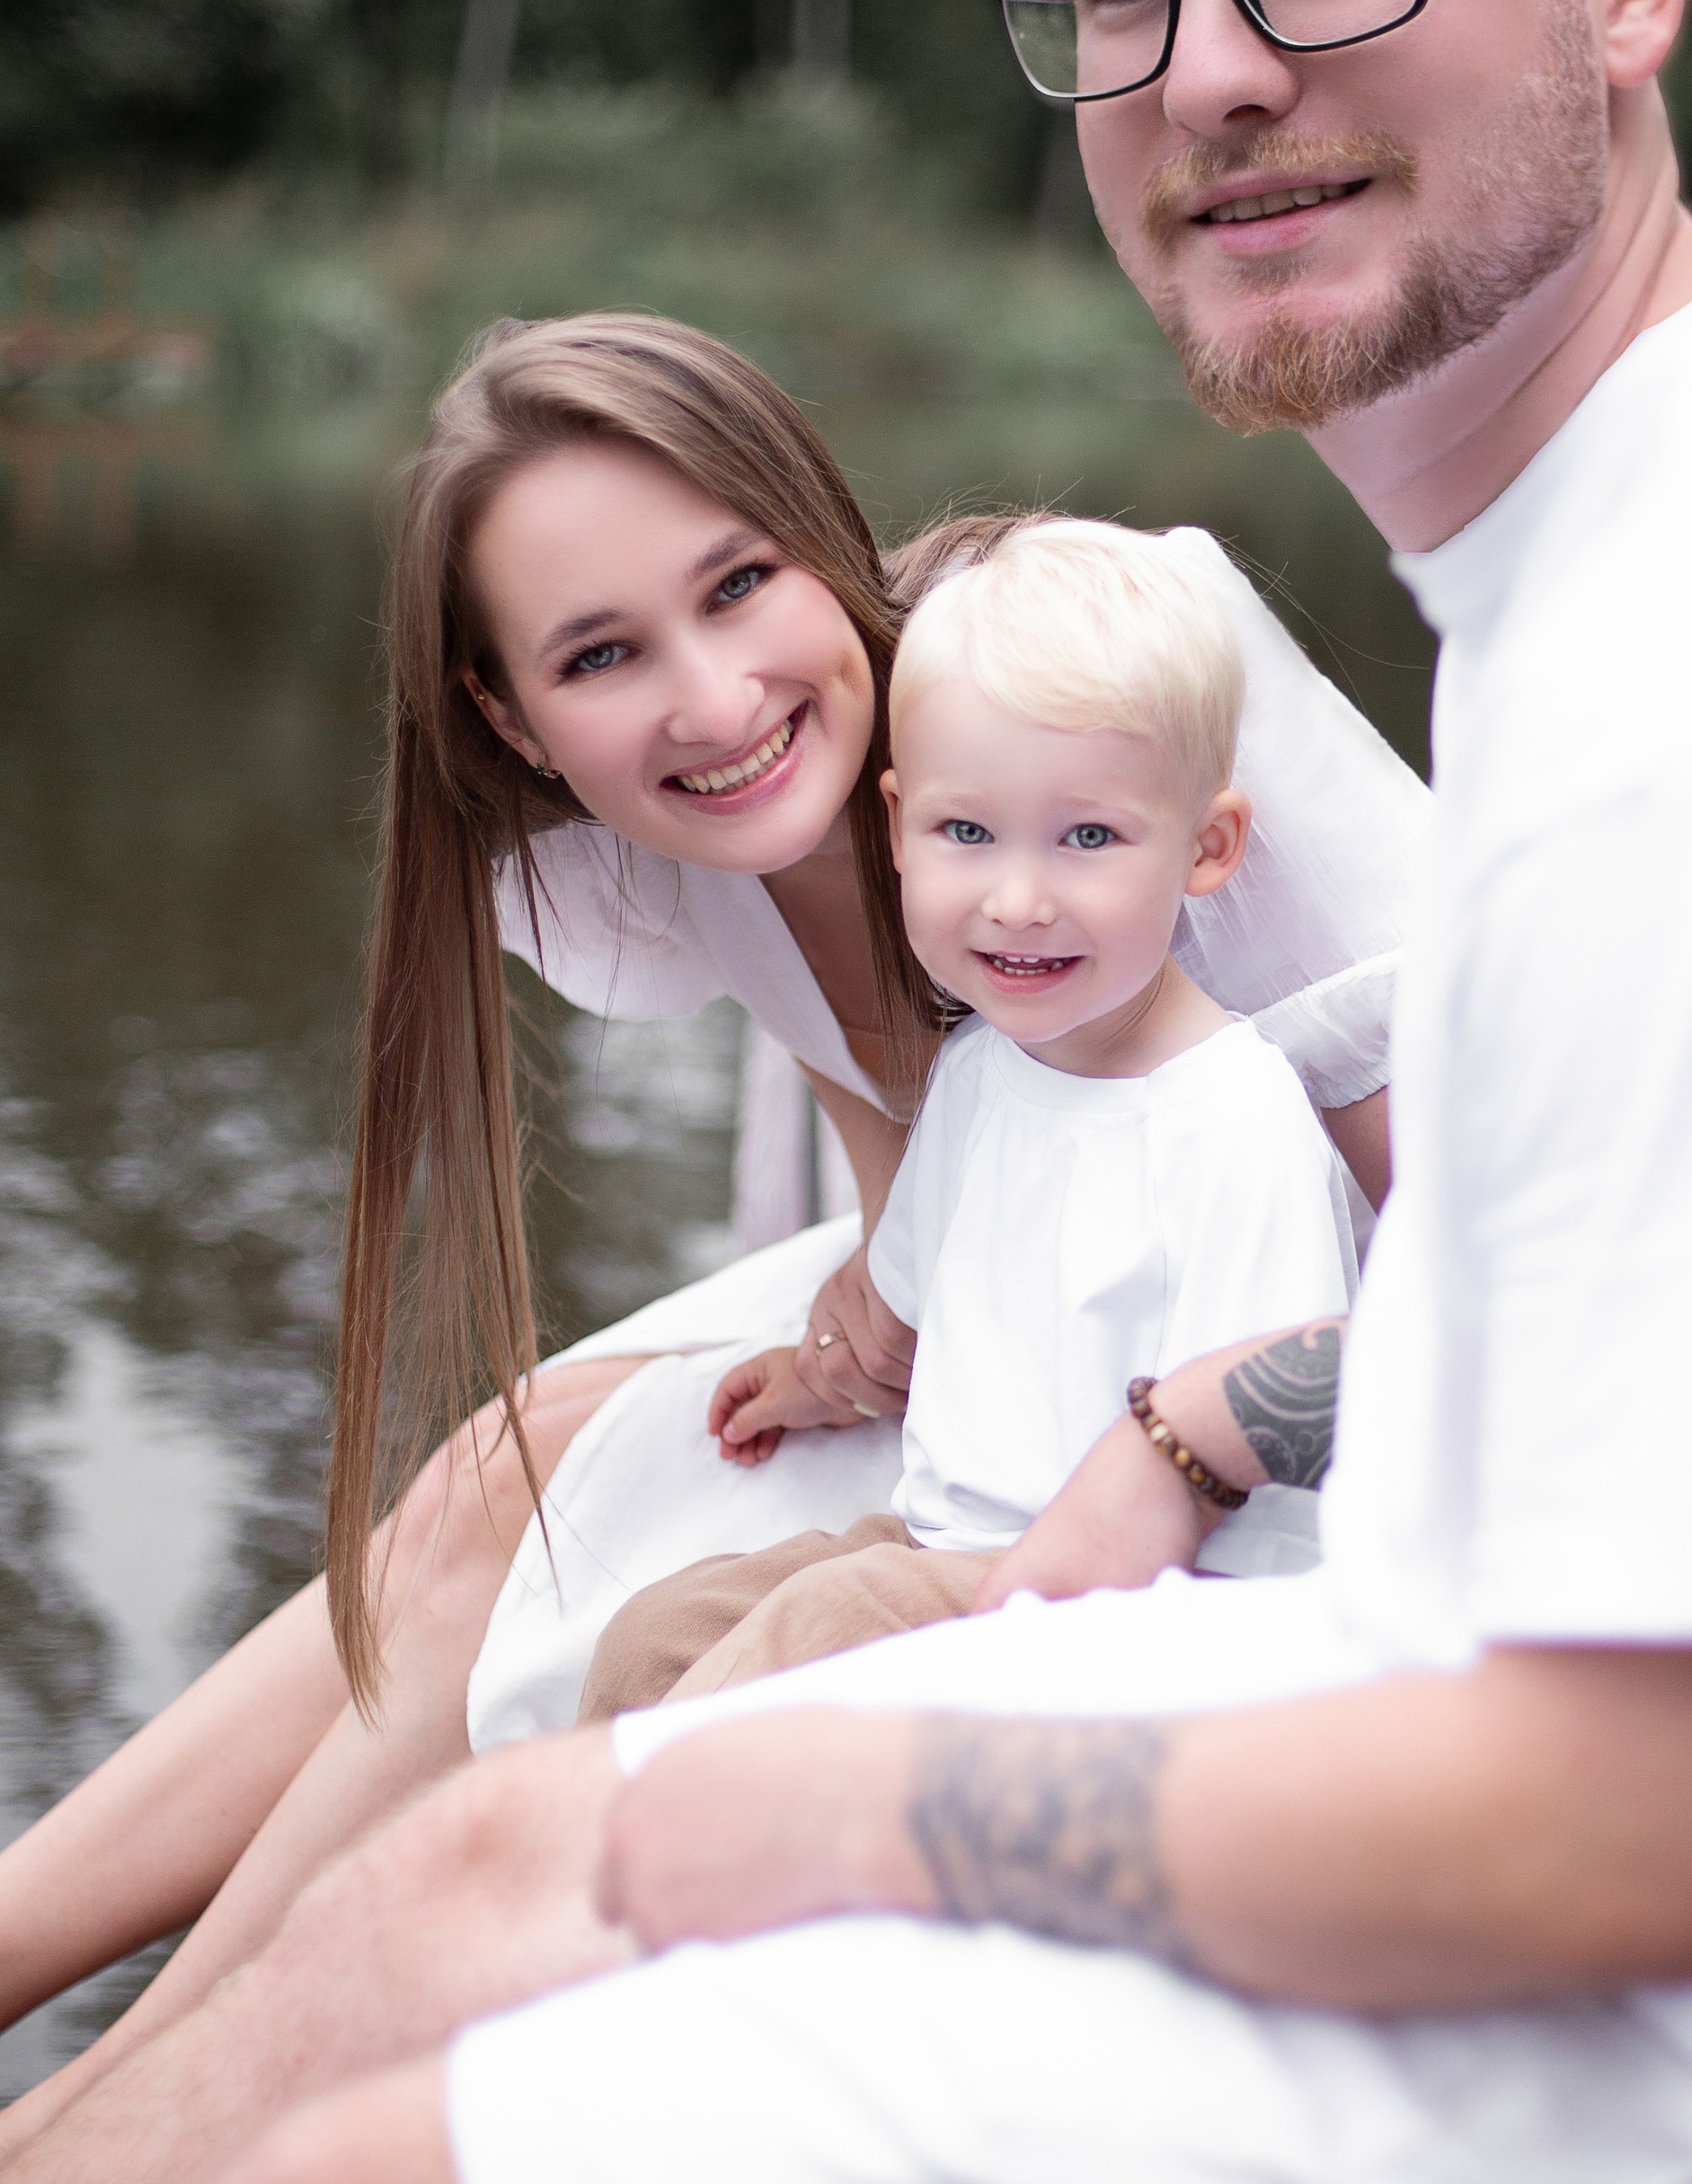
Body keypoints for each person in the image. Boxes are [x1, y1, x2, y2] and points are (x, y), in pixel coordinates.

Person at [11, 0, 1692, 2177]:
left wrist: (869, 1785)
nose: (1207, 68)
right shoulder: (1643, 558)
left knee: (462, 1980)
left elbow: (1624, 1820)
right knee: (486, 1822)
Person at [0, 322, 1425, 2146]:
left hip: (1274, 1419)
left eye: (739, 582)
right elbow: (926, 1206)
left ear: (818, 528)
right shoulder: (704, 833)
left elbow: (1536, 1285)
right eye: (601, 654)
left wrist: (1176, 1441)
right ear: (512, 715)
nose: (713, 700)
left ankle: (132, 2121)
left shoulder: (1115, 678)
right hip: (1023, 1356)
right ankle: (95, 2070)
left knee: (568, 1536)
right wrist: (847, 1330)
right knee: (497, 1478)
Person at [578, 518, 1360, 1712]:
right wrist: (810, 1381)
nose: (1018, 898)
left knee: (823, 1626)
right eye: (967, 832)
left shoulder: (1230, 1117)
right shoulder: (981, 1074)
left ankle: (628, 1825)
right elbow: (907, 1311)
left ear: (1207, 848)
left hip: (1126, 1605)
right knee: (660, 1636)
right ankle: (613, 1804)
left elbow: (1270, 1429)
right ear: (899, 828)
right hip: (935, 1548)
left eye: (1088, 837)